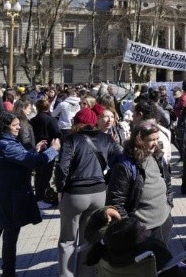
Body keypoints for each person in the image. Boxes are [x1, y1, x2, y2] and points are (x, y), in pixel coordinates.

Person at [0, 111, 61, 277]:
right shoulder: (6, 145)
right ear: (4, 126)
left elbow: (21, 160)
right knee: (9, 236)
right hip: (8, 196)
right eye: (15, 125)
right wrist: (53, 150)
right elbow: (35, 162)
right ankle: (8, 272)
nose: (19, 128)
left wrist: (35, 150)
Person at [54, 107, 123, 277]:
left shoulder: (71, 139)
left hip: (74, 194)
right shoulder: (107, 139)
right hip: (98, 193)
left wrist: (60, 188)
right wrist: (105, 180)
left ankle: (66, 275)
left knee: (67, 240)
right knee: (89, 238)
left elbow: (62, 168)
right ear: (94, 122)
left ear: (76, 122)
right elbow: (119, 161)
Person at [106, 120, 174, 243]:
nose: (156, 143)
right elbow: (116, 202)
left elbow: (167, 182)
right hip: (142, 231)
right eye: (151, 140)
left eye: (157, 138)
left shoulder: (157, 156)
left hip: (164, 222)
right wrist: (131, 228)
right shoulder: (125, 165)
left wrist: (169, 205)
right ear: (139, 141)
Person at [84, 208, 186, 277]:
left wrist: (104, 212)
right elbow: (175, 273)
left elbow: (90, 230)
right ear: (135, 240)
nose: (145, 227)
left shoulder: (107, 244)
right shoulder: (151, 250)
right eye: (141, 230)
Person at [31, 98, 63, 207]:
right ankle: (41, 196)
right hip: (49, 148)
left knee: (38, 173)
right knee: (46, 174)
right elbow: (57, 133)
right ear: (48, 107)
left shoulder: (33, 120)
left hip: (37, 147)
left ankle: (39, 195)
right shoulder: (51, 120)